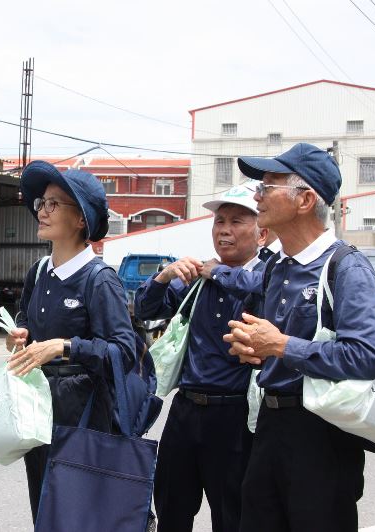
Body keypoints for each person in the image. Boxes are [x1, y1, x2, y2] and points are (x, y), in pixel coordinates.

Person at [221, 143, 375, 532]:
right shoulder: (276, 267)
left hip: (322, 433)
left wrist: (281, 345)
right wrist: (254, 349)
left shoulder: (346, 267)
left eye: (268, 185)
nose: (258, 196)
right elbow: (274, 344)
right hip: (269, 425)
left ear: (305, 200)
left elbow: (367, 356)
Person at [4, 160, 137, 524]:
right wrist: (20, 335)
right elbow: (25, 318)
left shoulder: (99, 279)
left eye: (54, 204)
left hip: (83, 419)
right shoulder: (38, 271)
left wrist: (64, 346)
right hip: (38, 412)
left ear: (81, 220)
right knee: (43, 511)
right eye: (41, 203)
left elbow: (124, 351)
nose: (42, 211)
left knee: (77, 517)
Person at [134, 182, 266, 532]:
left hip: (236, 415)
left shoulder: (268, 276)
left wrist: (218, 272)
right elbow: (145, 309)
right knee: (171, 507)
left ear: (262, 233)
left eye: (236, 221)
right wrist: (164, 276)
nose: (224, 230)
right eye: (219, 221)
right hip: (186, 409)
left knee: (232, 515)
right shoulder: (198, 278)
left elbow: (260, 288)